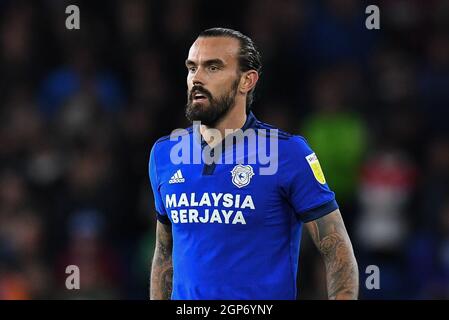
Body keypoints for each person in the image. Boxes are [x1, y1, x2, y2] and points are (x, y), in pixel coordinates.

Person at [149, 27, 358, 300]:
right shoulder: (164, 153)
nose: (197, 78)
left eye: (213, 68)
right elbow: (164, 253)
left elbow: (336, 248)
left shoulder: (287, 153)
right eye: (192, 68)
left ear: (247, 81)